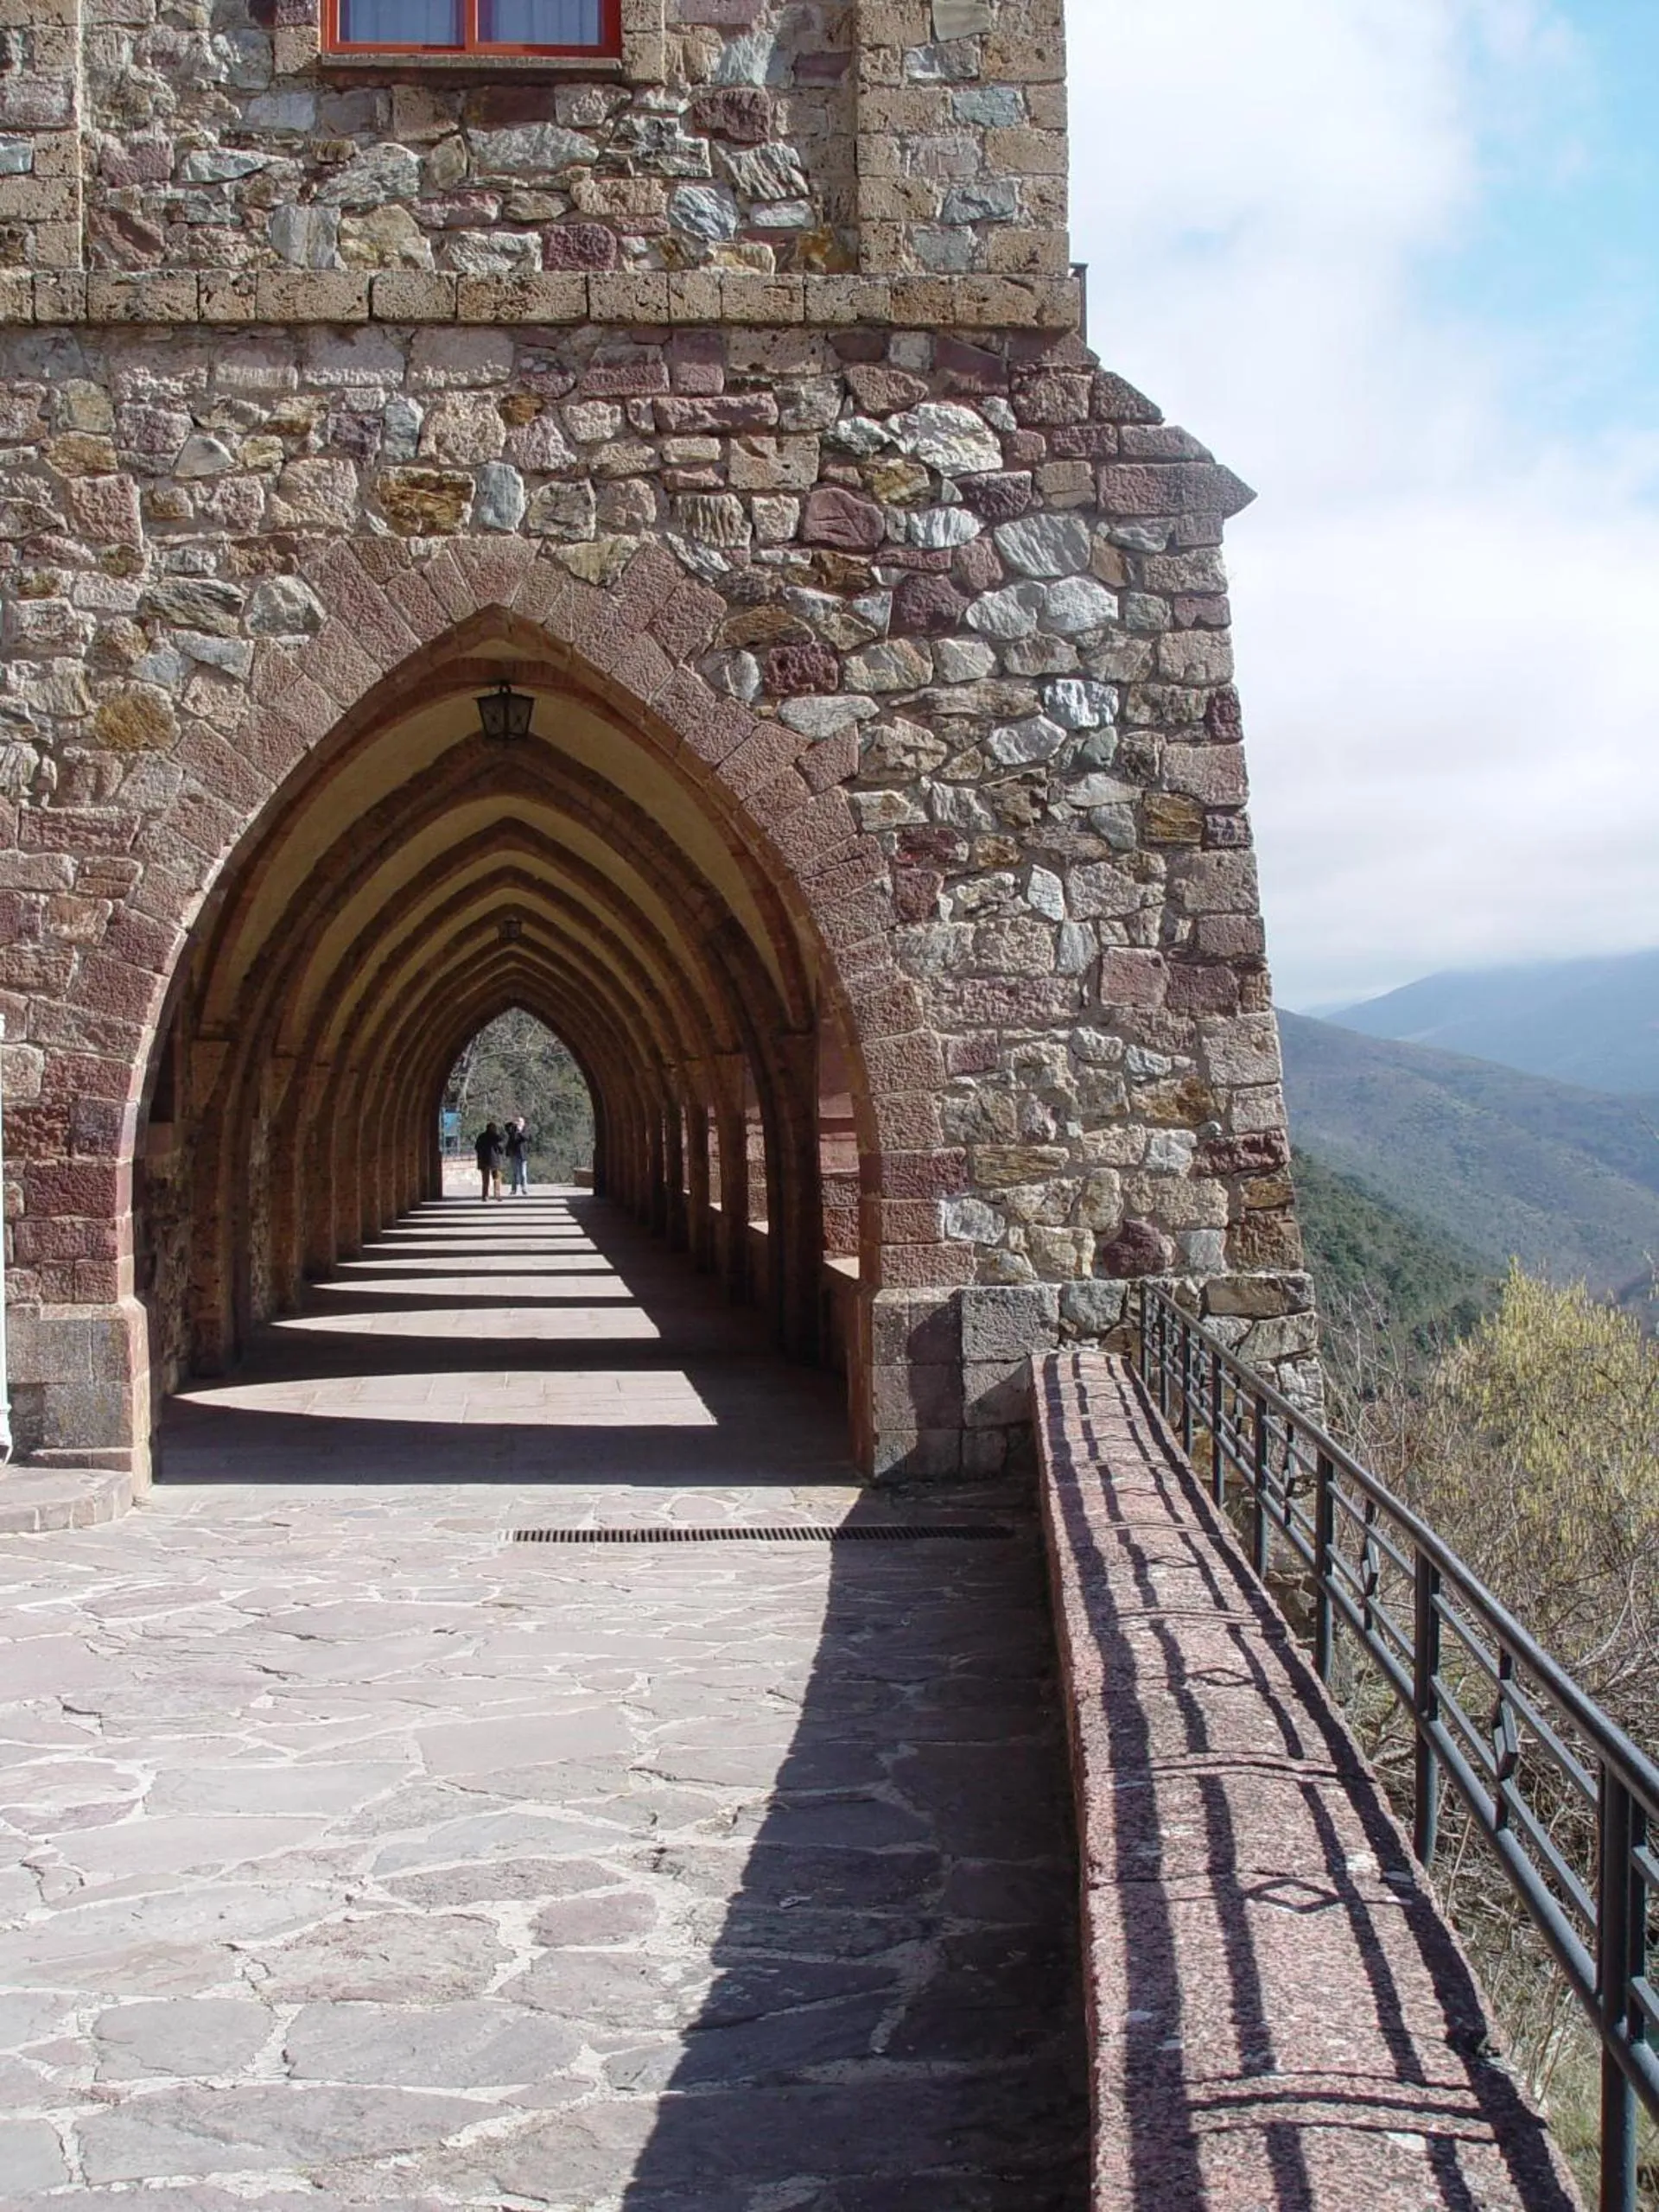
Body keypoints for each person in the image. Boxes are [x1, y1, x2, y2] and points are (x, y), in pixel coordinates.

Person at [474, 1121, 504, 1202]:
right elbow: (501, 1149)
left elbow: (477, 1148)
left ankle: (485, 1196)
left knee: (485, 1180)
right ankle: (497, 1195)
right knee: (496, 1179)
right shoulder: (497, 1137)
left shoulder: (481, 1137)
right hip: (495, 1162)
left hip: (484, 1161)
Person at [505, 1116, 531, 1196]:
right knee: (514, 1173)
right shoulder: (512, 1130)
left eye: (520, 1122)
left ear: (523, 1123)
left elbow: (525, 1138)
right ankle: (513, 1189)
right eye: (518, 1122)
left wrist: (520, 1132)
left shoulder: (525, 1131)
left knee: (523, 1173)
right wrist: (512, 1122)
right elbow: (506, 1127)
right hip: (514, 1154)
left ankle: (524, 1189)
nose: (519, 1123)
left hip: (522, 1155)